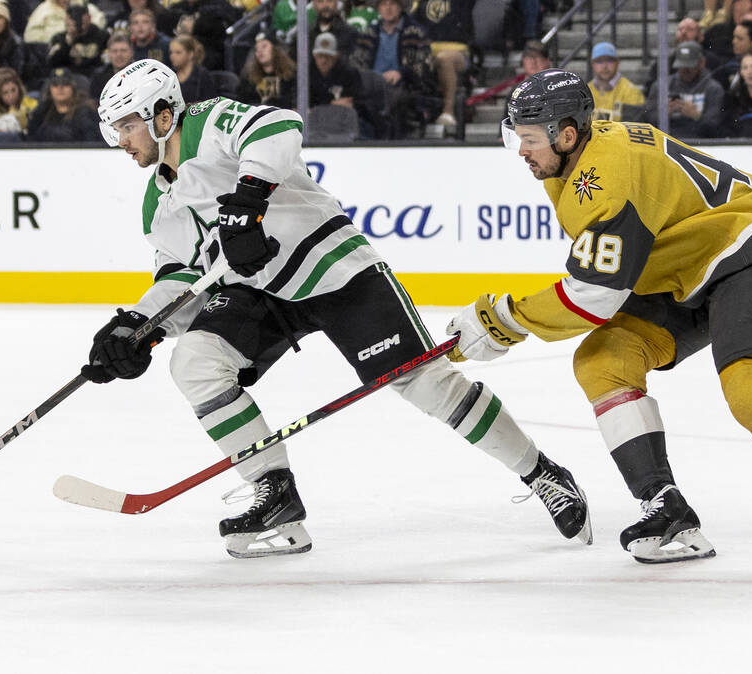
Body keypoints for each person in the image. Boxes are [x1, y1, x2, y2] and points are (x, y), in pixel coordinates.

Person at [85, 59, 591, 559]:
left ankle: (543, 474)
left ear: (162, 114)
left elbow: (278, 126)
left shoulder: (208, 122)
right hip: (259, 291)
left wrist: (249, 200)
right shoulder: (158, 201)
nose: (122, 142)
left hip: (332, 267)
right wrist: (137, 326)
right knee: (195, 361)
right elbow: (181, 275)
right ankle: (274, 494)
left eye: (127, 127)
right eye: (116, 131)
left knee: (428, 384)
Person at [452, 67, 752, 567]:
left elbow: (592, 296)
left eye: (528, 140)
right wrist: (509, 321)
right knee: (603, 360)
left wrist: (501, 321)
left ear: (566, 134)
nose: (521, 151)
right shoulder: (579, 162)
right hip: (684, 271)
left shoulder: (605, 180)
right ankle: (666, 509)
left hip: (747, 255)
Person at [352, 0, 436, 138]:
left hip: (405, 86)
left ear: (401, 7)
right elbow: (356, 63)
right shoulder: (369, 33)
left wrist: (401, 73)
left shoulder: (416, 32)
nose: (388, 8)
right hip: (371, 86)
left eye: (393, 4)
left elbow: (425, 64)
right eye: (384, 4)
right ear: (378, 8)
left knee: (395, 101)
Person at [412, 0, 474, 131]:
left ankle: (448, 111)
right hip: (427, 50)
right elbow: (411, 24)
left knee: (445, 58)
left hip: (457, 50)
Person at [645, 41, 725, 139]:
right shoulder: (661, 86)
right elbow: (647, 120)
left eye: (690, 66)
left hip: (701, 141)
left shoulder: (713, 88)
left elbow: (717, 127)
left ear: (701, 63)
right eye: (682, 66)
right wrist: (664, 114)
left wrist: (696, 116)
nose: (685, 70)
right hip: (668, 139)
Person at [27, 67, 100, 142]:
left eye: (65, 84)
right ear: (49, 89)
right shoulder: (41, 112)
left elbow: (91, 140)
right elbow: (31, 138)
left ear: (73, 88)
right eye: (55, 84)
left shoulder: (86, 112)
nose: (60, 88)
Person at [48, 3, 110, 79]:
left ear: (89, 17)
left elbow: (106, 63)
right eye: (74, 17)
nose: (78, 19)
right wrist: (67, 42)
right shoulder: (59, 38)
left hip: (94, 78)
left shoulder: (103, 36)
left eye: (81, 15)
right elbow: (52, 64)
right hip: (68, 80)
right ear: (67, 19)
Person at [236, 33, 297, 109]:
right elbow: (242, 102)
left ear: (275, 49)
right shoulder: (248, 77)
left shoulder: (291, 73)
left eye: (264, 46)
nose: (260, 51)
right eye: (256, 49)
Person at [588, 41, 645, 122]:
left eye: (609, 60)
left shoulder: (631, 92)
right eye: (599, 61)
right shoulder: (586, 91)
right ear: (592, 64)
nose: (604, 66)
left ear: (617, 63)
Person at [309, 32, 364, 108]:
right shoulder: (307, 72)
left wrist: (352, 104)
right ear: (314, 56)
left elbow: (359, 101)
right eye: (320, 56)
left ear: (336, 57)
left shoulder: (349, 73)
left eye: (328, 57)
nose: (323, 61)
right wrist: (331, 103)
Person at [25, 0, 106, 44]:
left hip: (86, 44)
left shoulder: (82, 5)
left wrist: (85, 31)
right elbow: (30, 35)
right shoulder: (44, 10)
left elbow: (100, 20)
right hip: (53, 47)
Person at [168, 35, 218, 104]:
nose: (172, 56)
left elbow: (211, 102)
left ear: (190, 54)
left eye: (178, 52)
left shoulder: (202, 75)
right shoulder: (170, 74)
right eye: (171, 52)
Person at [93, 34, 138, 100]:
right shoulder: (99, 76)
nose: (119, 55)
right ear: (109, 54)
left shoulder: (140, 73)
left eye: (123, 50)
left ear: (132, 52)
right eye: (114, 51)